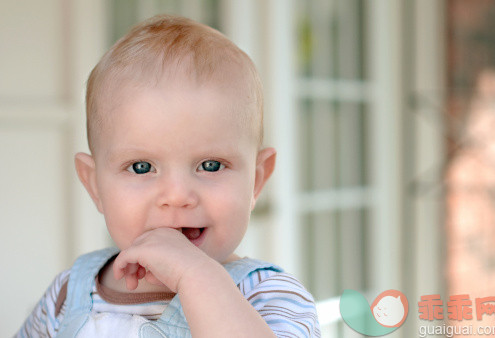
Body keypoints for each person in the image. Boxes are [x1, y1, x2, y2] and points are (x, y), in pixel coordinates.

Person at [16, 14, 320, 337]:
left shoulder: (269, 297)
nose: (176, 195)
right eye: (141, 167)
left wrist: (196, 276)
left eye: (211, 165)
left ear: (256, 181)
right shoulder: (66, 296)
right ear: (95, 185)